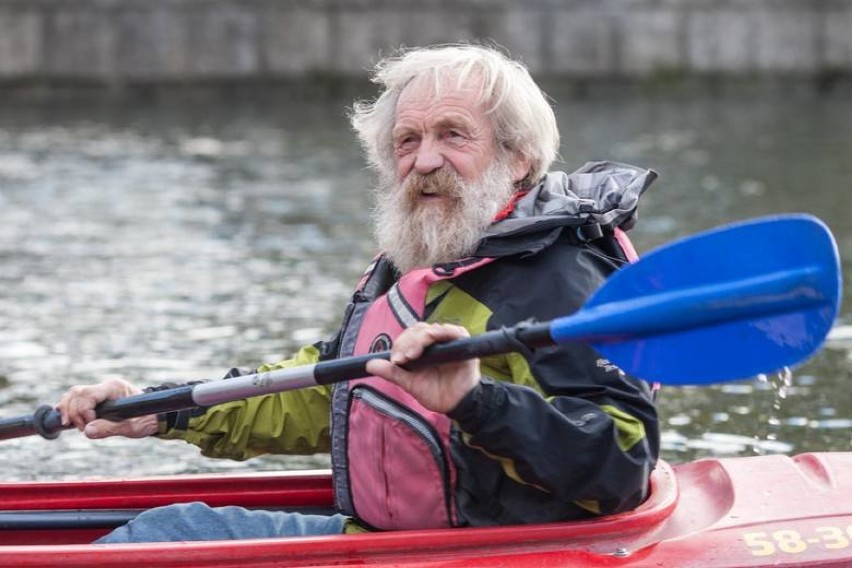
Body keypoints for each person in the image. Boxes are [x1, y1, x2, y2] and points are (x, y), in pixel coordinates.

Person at [56, 43, 660, 543]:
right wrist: (161, 410)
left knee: (166, 536)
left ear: (519, 158)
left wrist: (475, 401)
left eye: (453, 135)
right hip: (398, 537)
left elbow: (621, 466)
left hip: (488, 547)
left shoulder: (560, 278)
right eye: (406, 141)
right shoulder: (419, 260)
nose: (425, 162)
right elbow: (325, 390)